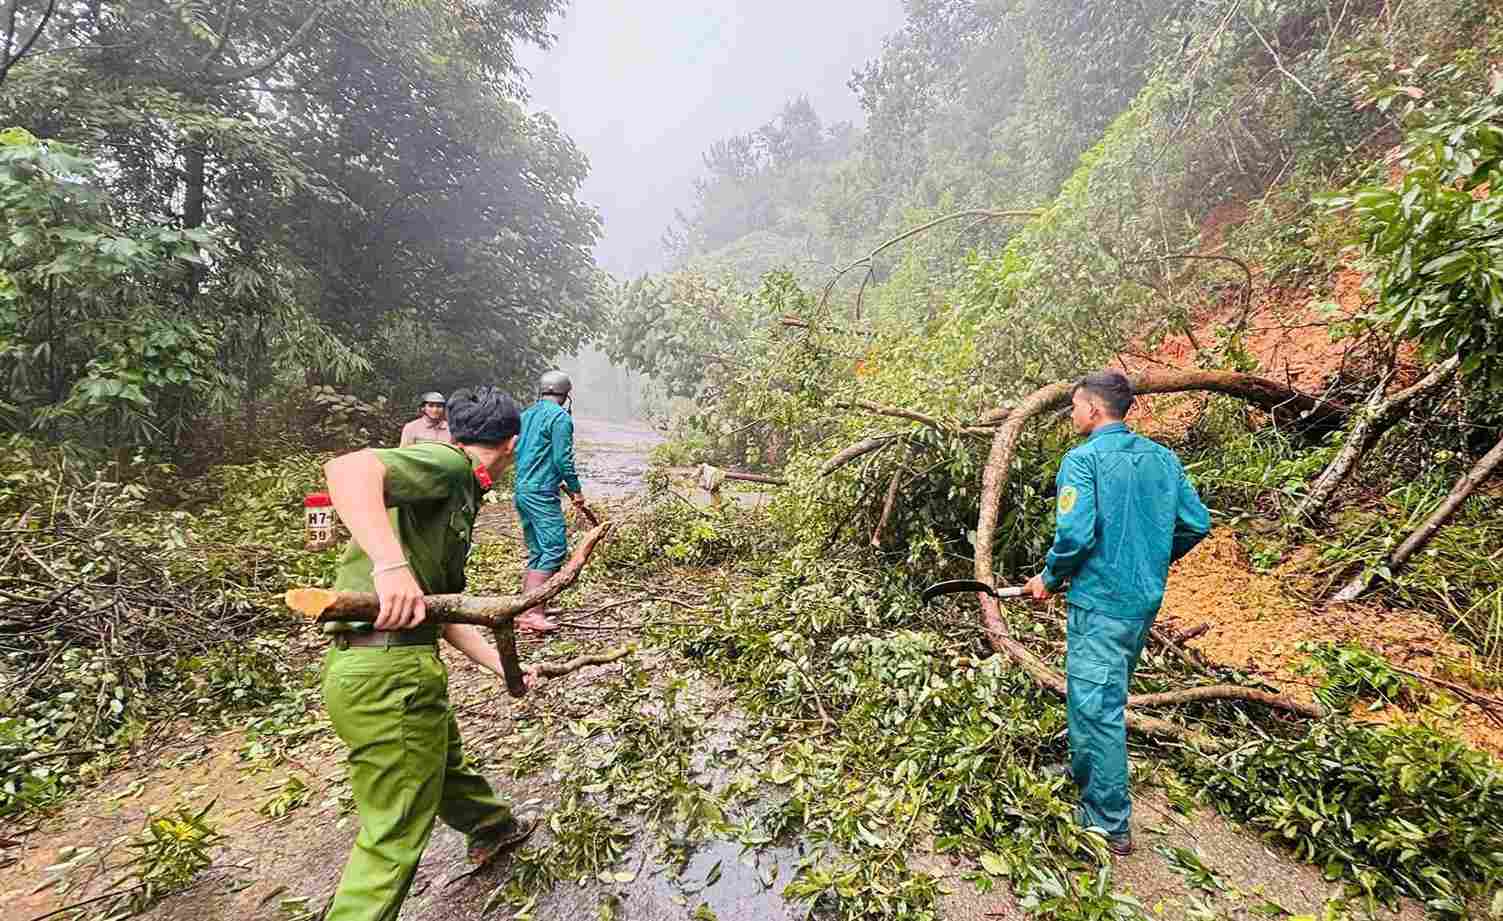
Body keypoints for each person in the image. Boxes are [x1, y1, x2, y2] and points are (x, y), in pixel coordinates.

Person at [321, 386, 536, 921]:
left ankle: (492, 827)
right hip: (389, 672)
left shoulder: (456, 492)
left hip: (390, 666)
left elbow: (442, 614)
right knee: (393, 833)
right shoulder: (448, 465)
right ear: (512, 444)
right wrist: (389, 566)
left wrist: (506, 667)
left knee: (440, 758)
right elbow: (346, 470)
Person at [1023, 369, 1211, 856]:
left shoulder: (1082, 461)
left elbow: (1075, 536)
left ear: (1091, 409)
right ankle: (1089, 773)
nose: (1071, 415)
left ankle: (1107, 821)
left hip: (1103, 603)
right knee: (1102, 693)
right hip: (1142, 601)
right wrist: (1150, 557)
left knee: (1096, 705)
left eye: (1074, 407)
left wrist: (1048, 577)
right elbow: (1196, 523)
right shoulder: (1163, 458)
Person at [512, 370, 587, 634]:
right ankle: (532, 613)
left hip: (522, 489)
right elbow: (563, 460)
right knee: (554, 548)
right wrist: (576, 490)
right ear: (566, 394)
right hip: (542, 492)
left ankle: (531, 606)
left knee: (538, 550)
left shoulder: (525, 415)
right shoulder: (560, 418)